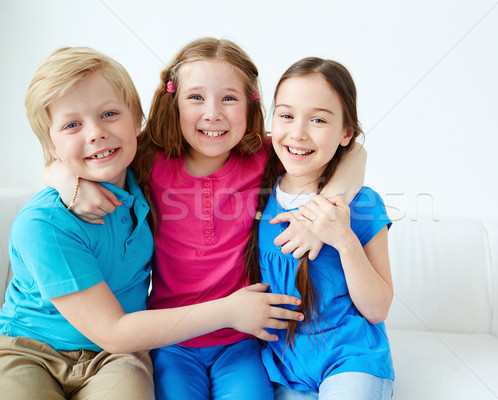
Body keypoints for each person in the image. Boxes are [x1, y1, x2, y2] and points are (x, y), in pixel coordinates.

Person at [45, 38, 366, 400]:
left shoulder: (263, 155)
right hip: (171, 341)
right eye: (196, 97)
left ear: (251, 104)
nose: (212, 113)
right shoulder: (148, 157)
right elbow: (63, 155)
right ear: (174, 102)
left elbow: (354, 151)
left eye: (229, 98)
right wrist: (66, 181)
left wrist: (324, 207)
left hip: (242, 340)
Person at [0, 46, 305, 400]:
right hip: (36, 348)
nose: (97, 133)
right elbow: (112, 330)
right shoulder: (51, 218)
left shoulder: (139, 168)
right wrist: (61, 177)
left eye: (110, 114)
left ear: (136, 120)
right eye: (72, 124)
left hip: (127, 354)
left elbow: (340, 148)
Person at [245, 57, 395, 399]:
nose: (298, 133)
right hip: (280, 366)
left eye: (317, 120)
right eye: (286, 115)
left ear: (346, 132)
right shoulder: (256, 195)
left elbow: (378, 308)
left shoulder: (363, 203)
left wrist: (343, 239)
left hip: (350, 359)